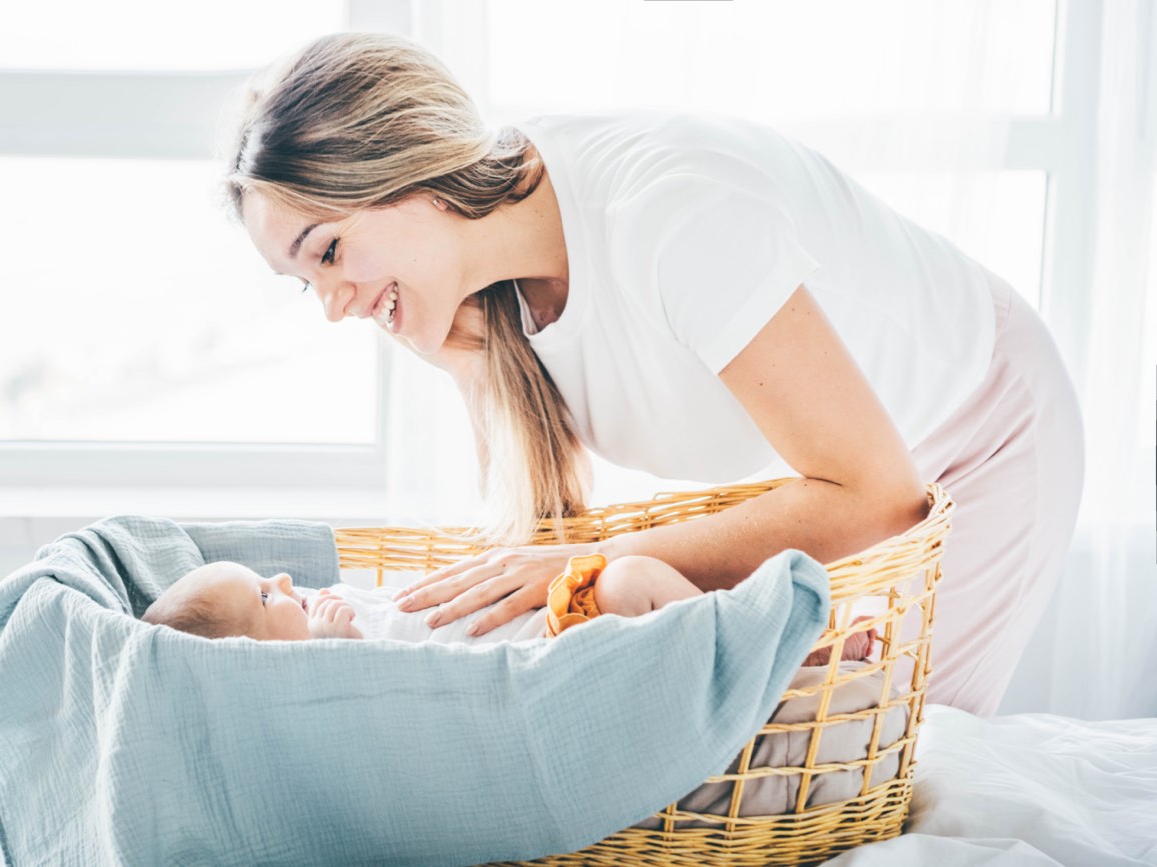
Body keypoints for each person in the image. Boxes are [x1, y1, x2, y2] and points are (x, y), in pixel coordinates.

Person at [220, 33, 1083, 715]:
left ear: (407, 172)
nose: (334, 305)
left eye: (329, 251)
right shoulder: (485, 300)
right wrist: (469, 366)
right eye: (307, 283)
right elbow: (536, 554)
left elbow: (876, 494)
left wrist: (606, 560)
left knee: (884, 761)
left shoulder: (671, 213)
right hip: (844, 475)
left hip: (982, 433)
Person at [141, 558, 877, 663]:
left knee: (638, 587)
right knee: (629, 581)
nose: (282, 575)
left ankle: (768, 641)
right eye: (266, 596)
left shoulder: (329, 604)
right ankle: (795, 650)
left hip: (555, 616)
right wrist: (336, 639)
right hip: (560, 648)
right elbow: (383, 689)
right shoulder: (322, 663)